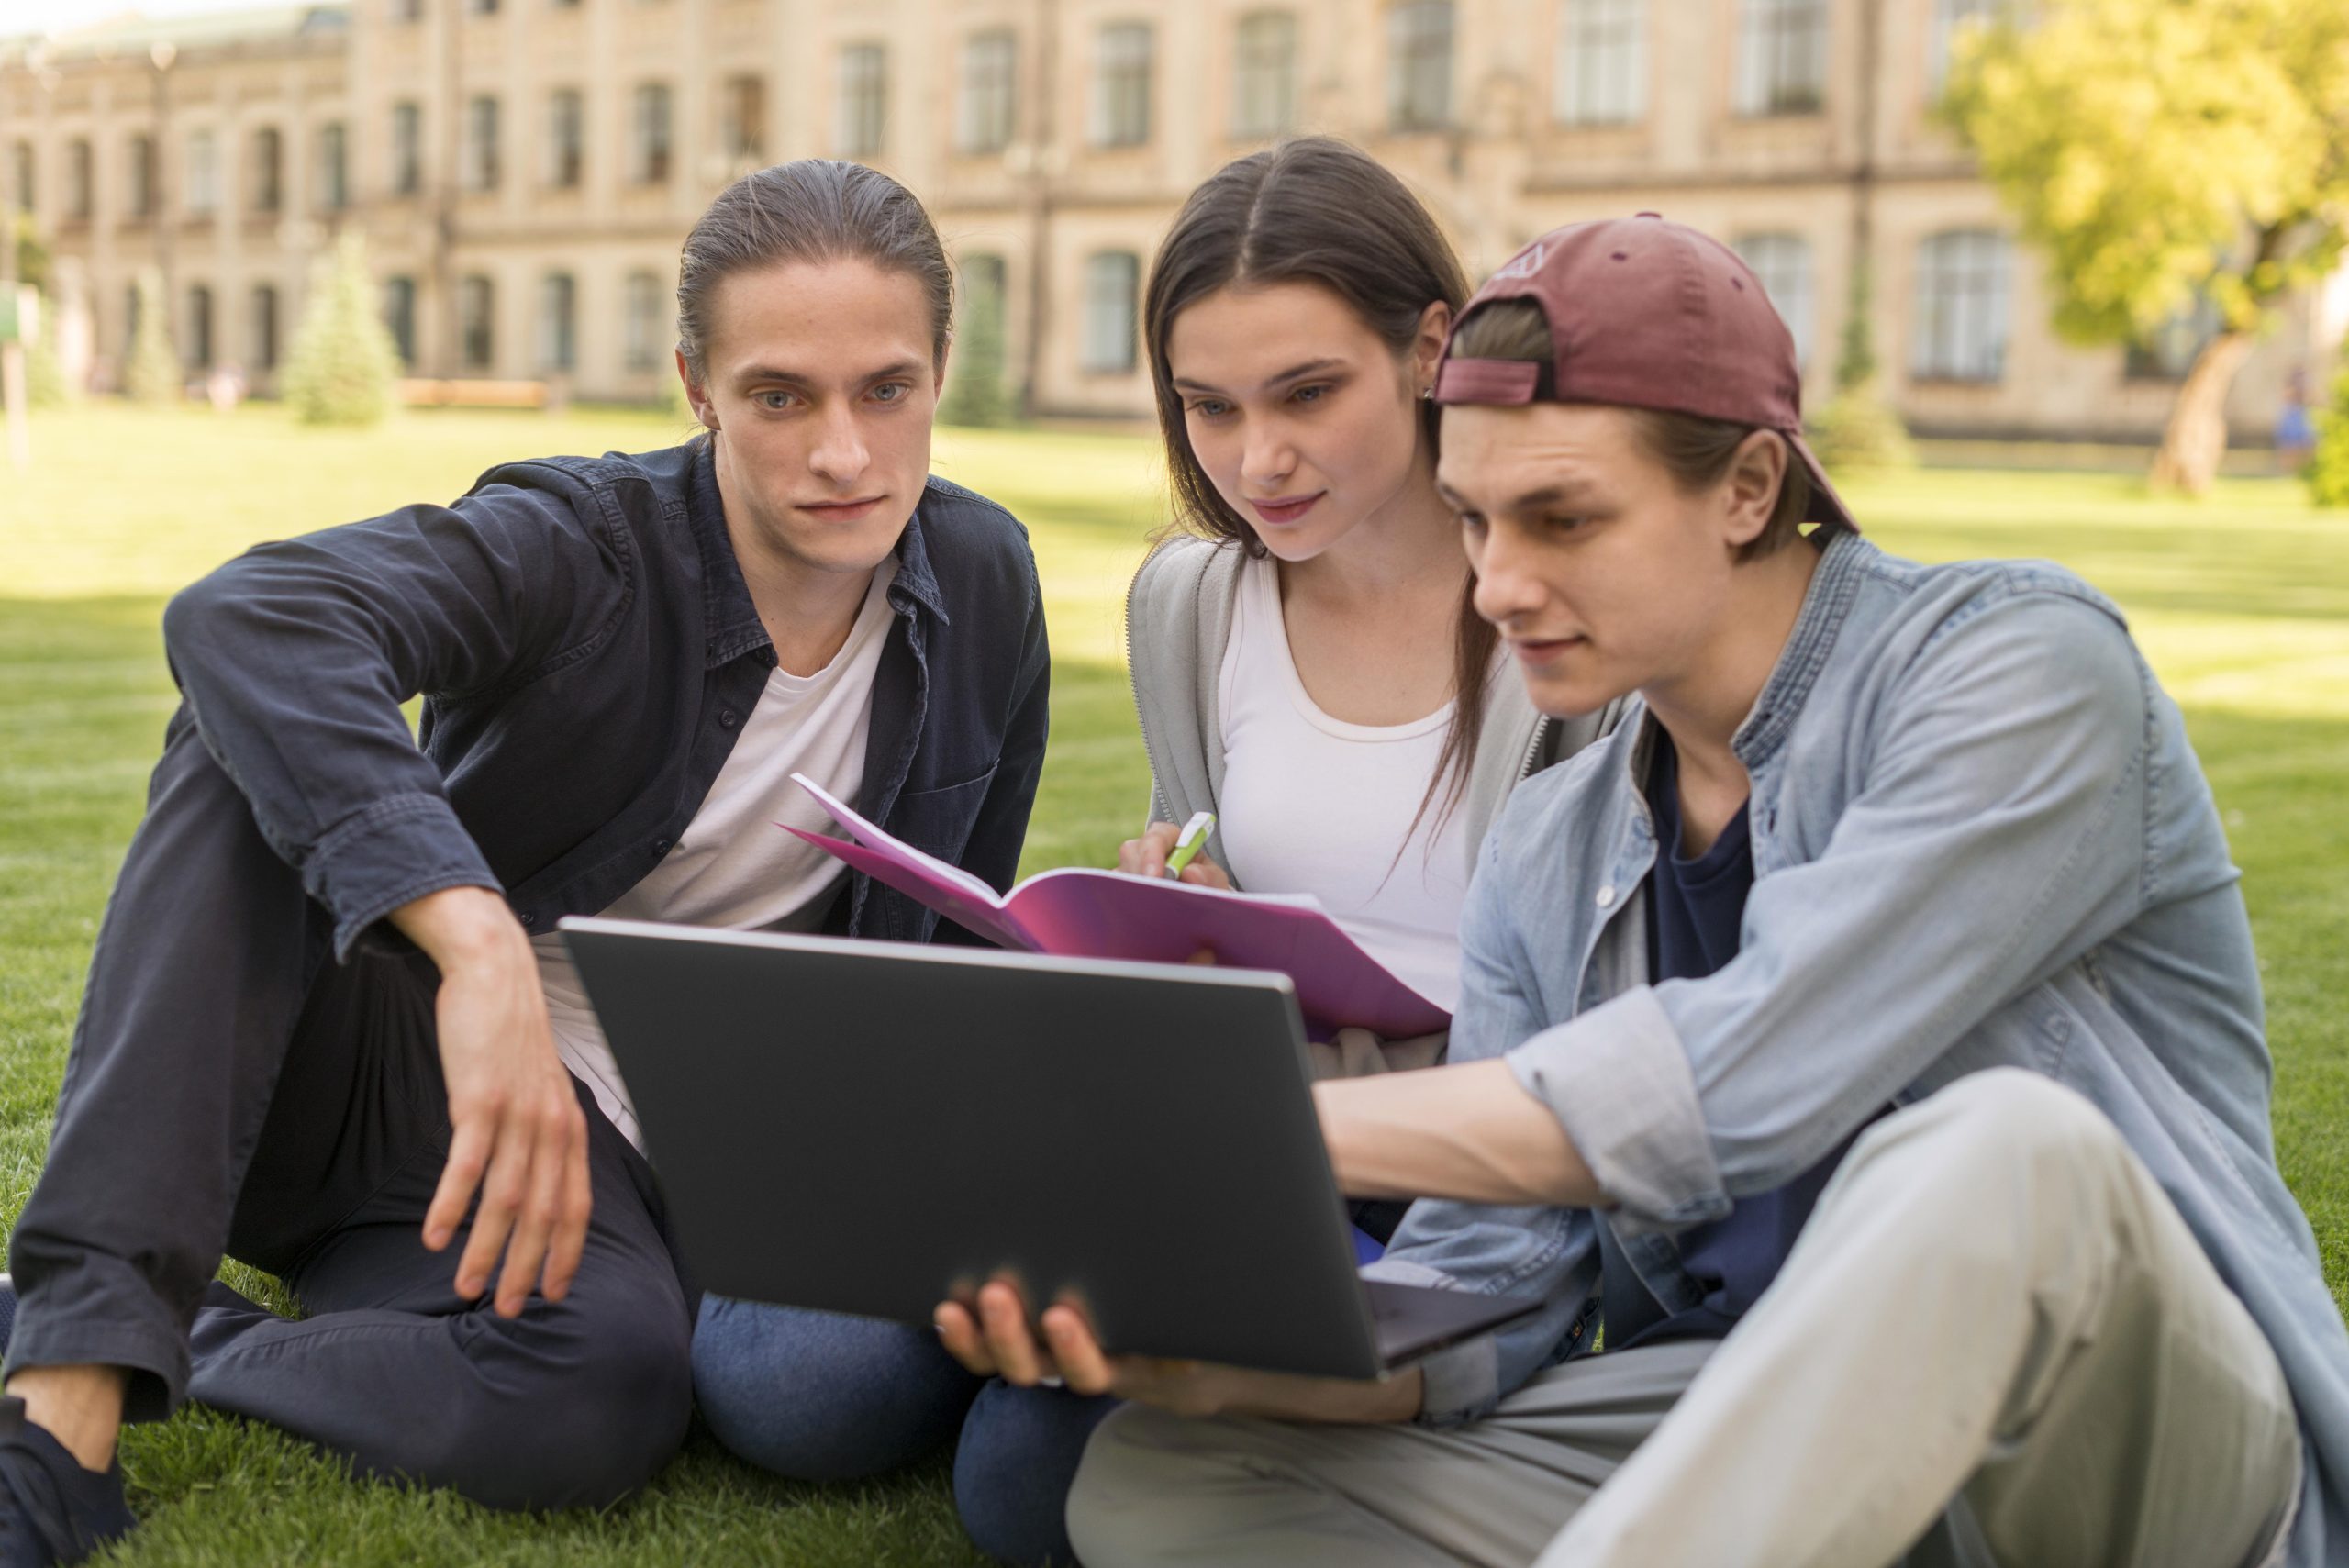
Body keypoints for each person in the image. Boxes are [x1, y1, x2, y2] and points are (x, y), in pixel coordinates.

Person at [946, 216, 2349, 1568]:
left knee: (2005, 1154)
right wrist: (1206, 1354)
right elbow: (1482, 1303)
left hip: (2126, 1442)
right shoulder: (1554, 841)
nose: (1498, 584)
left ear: (1749, 485)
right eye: (1477, 520)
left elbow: (1741, 1075)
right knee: (1163, 1475)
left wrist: (1251, 1126)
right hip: (1762, 1421)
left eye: (1562, 518)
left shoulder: (2018, 669)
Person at [0, 158, 1051, 1568]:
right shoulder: (588, 543)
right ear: (698, 386)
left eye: (887, 389)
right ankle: (62, 1396)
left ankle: (189, 1332)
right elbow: (251, 615)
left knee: (607, 1396)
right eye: (780, 395)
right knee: (245, 730)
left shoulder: (985, 582)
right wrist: (477, 943)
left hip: (649, 1158)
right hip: (385, 1070)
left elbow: (950, 936)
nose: (844, 454)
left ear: (940, 370)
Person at [690, 137, 1616, 1568]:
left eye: (1309, 393)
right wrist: (1182, 910)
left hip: (1420, 1171)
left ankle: (1072, 1355)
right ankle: (1045, 1319)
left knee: (1025, 1490)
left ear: (1431, 348)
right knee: (786, 1382)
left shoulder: (1564, 612)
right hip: (1193, 1117)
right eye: (1210, 406)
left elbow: (1588, 1037)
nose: (1258, 458)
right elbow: (1211, 881)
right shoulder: (1194, 601)